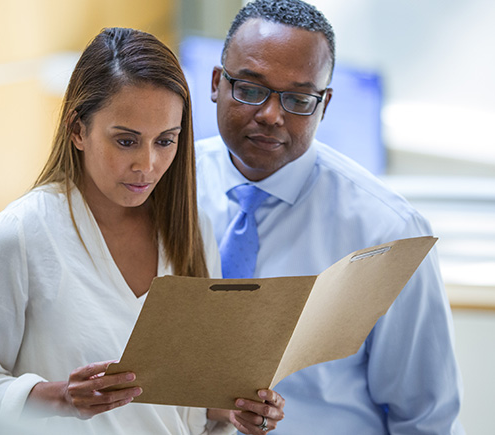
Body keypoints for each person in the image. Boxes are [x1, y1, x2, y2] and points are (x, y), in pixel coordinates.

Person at [0, 27, 285, 434]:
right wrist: (60, 397)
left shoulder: (192, 230)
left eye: (165, 141)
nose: (147, 165)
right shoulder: (21, 235)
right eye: (126, 141)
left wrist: (233, 410)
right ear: (78, 130)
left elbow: (191, 404)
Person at [195, 0, 465, 434]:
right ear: (215, 83)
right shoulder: (160, 191)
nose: (270, 115)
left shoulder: (388, 231)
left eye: (299, 98)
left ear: (325, 105)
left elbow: (426, 418)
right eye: (249, 88)